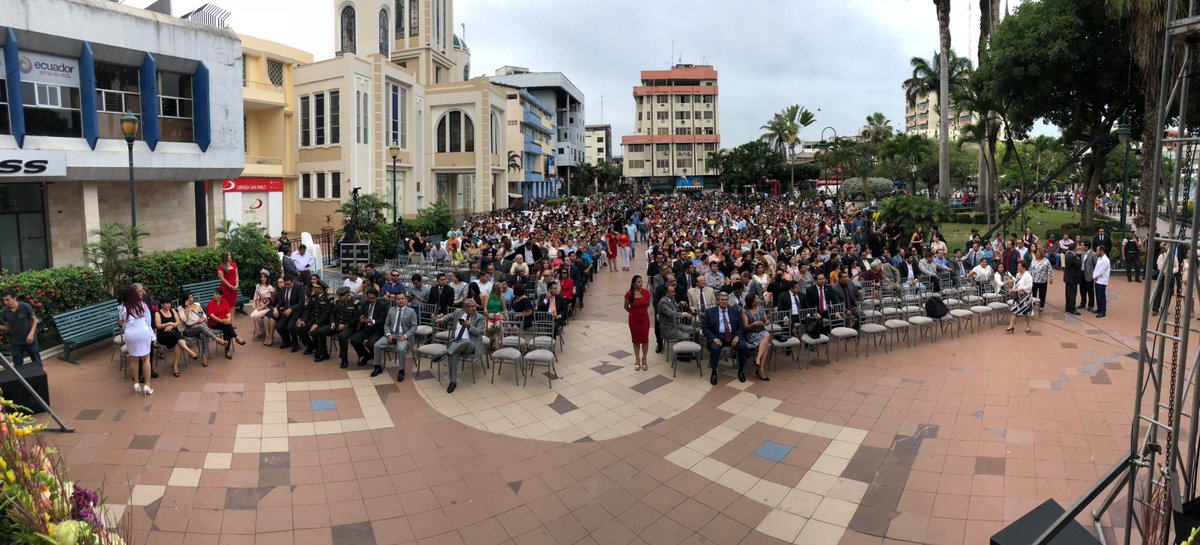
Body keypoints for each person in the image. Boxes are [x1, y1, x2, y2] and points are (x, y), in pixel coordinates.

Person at [435, 300, 486, 394]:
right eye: (471, 306)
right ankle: (453, 382)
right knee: (452, 354)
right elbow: (448, 316)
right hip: (456, 341)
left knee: (465, 343)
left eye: (475, 306)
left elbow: (479, 332)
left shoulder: (480, 317)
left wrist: (469, 326)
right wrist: (441, 319)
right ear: (465, 308)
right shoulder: (458, 312)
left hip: (471, 344)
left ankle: (443, 353)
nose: (474, 308)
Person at [702, 292, 749, 385]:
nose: (724, 302)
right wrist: (713, 338)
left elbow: (741, 326)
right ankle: (714, 371)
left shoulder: (735, 311)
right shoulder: (709, 312)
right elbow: (704, 328)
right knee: (714, 348)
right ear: (718, 301)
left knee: (743, 346)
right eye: (722, 300)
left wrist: (737, 336)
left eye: (726, 300)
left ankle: (741, 370)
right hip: (717, 336)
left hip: (732, 336)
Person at [119, 285, 155, 395]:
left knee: (133, 359)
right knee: (146, 359)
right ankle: (147, 385)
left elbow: (122, 322)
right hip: (143, 331)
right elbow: (148, 321)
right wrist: (151, 334)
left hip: (130, 333)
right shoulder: (142, 304)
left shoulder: (122, 307)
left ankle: (136, 383)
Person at [373, 293, 417, 380]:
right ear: (395, 300)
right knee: (376, 345)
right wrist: (388, 335)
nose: (401, 300)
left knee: (401, 349)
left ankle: (401, 370)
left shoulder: (411, 311)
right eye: (398, 299)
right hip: (392, 335)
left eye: (402, 298)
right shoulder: (391, 310)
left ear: (405, 299)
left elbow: (414, 327)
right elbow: (386, 325)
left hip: (404, 337)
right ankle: (378, 367)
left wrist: (405, 336)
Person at [179, 291, 228, 368]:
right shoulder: (181, 309)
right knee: (202, 326)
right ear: (185, 300)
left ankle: (204, 356)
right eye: (188, 298)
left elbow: (204, 316)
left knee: (203, 333)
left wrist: (202, 320)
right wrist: (188, 308)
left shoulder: (197, 305)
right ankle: (217, 339)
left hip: (200, 327)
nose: (191, 299)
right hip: (188, 330)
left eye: (191, 297)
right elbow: (186, 321)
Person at [154, 300, 198, 377]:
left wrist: (172, 325)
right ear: (162, 305)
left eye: (169, 303)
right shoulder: (157, 313)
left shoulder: (173, 311)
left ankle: (175, 366)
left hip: (174, 335)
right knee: (177, 336)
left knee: (177, 342)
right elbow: (158, 326)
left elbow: (178, 322)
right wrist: (168, 324)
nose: (169, 305)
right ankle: (189, 351)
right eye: (166, 303)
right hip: (163, 336)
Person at [0, 289, 42, 367]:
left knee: (37, 363)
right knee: (18, 366)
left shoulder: (25, 306)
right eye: (4, 300)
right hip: (16, 343)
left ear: (14, 298)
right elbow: (9, 328)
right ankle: (21, 379)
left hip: (31, 341)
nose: (5, 302)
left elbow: (34, 320)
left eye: (7, 300)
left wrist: (31, 334)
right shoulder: (4, 313)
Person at [350, 290, 387, 365]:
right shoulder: (365, 304)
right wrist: (360, 319)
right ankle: (366, 355)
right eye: (369, 298)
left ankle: (375, 357)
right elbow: (359, 315)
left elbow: (382, 320)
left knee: (370, 344)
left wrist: (372, 321)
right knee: (354, 340)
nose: (370, 300)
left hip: (376, 329)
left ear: (376, 298)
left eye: (372, 298)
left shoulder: (382, 306)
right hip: (365, 328)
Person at [206, 289, 245, 359]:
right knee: (227, 326)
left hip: (224, 322)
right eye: (214, 294)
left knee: (226, 328)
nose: (215, 295)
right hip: (214, 324)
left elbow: (228, 313)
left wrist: (228, 319)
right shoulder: (210, 303)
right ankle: (236, 337)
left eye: (217, 294)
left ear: (221, 296)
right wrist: (222, 321)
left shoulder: (224, 301)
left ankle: (227, 350)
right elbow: (212, 316)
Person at [741, 293, 771, 381]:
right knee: (767, 343)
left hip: (761, 331)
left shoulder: (761, 309)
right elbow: (745, 327)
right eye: (757, 299)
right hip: (751, 333)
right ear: (752, 301)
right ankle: (760, 369)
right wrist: (754, 324)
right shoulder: (744, 311)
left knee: (766, 337)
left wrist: (766, 322)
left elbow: (766, 321)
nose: (759, 300)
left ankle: (759, 363)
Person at [327, 287, 359, 368]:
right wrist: (332, 322)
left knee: (342, 336)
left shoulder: (355, 303)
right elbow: (332, 314)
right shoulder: (338, 302)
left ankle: (344, 359)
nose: (341, 300)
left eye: (343, 298)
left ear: (348, 295)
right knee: (321, 331)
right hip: (337, 325)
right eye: (340, 298)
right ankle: (322, 353)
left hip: (349, 326)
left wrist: (345, 325)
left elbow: (355, 319)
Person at [624, 276, 652, 371]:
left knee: (645, 340)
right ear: (633, 284)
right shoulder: (629, 294)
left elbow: (648, 304)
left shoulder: (646, 293)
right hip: (633, 321)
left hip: (644, 320)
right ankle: (637, 359)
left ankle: (644, 359)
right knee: (635, 340)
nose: (641, 283)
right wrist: (633, 312)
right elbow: (626, 306)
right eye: (638, 282)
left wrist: (642, 311)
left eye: (641, 281)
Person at [273, 277, 305, 350]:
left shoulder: (299, 287)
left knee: (290, 326)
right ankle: (287, 342)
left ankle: (295, 344)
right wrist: (276, 308)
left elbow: (301, 302)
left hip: (297, 310)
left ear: (292, 282)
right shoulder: (284, 289)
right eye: (285, 284)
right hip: (287, 311)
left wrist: (291, 309)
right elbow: (281, 300)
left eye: (289, 284)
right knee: (279, 326)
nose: (287, 286)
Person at [1006, 261, 1035, 334]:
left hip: (1026, 296)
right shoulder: (1018, 274)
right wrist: (1012, 289)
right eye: (1018, 266)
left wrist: (1019, 289)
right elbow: (1016, 283)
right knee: (1014, 309)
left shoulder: (1028, 275)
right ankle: (1011, 325)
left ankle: (1028, 326)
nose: (1018, 267)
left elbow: (1029, 286)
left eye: (1020, 266)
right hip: (1018, 296)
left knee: (1027, 312)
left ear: (1024, 267)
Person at [250, 273, 277, 343]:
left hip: (267, 307)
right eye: (262, 277)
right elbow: (257, 298)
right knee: (252, 315)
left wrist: (262, 307)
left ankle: (263, 331)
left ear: (267, 278)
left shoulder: (269, 287)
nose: (263, 279)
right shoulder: (258, 286)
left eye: (264, 277)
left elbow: (269, 302)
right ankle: (262, 331)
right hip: (260, 306)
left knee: (257, 315)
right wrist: (258, 307)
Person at [1063, 244, 1083, 316]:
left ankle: (1068, 307)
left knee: (1068, 293)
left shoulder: (1068, 254)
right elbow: (1079, 264)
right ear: (1074, 249)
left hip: (1068, 277)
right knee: (1072, 294)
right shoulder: (1073, 256)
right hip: (1072, 278)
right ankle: (1072, 309)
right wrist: (1078, 258)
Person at [1093, 246, 1111, 318]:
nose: (1096, 252)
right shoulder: (1099, 258)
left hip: (1102, 281)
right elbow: (1096, 268)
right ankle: (1099, 308)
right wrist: (1094, 276)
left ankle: (1102, 311)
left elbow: (1101, 271)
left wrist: (1094, 276)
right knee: (1098, 295)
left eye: (1097, 250)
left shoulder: (1105, 260)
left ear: (1101, 251)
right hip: (1098, 280)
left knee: (1101, 296)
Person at [1081, 242, 1097, 312]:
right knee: (1082, 290)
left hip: (1089, 275)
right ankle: (1083, 303)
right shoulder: (1083, 253)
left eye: (1083, 246)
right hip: (1082, 274)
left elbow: (1096, 265)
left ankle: (1091, 305)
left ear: (1086, 247)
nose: (1082, 247)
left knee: (1090, 291)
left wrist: (1094, 275)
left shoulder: (1093, 254)